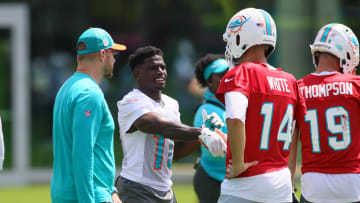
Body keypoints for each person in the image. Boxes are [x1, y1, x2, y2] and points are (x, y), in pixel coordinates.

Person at [215, 8, 307, 202]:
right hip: (280, 185)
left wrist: (238, 163)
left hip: (246, 186)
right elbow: (290, 134)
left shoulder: (241, 73)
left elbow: (235, 118)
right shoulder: (290, 81)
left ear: (241, 38)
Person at [115, 46, 226, 203]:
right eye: (153, 68)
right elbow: (158, 125)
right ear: (137, 74)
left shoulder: (171, 104)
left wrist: (204, 134)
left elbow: (175, 151)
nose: (160, 71)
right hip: (137, 187)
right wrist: (201, 133)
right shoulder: (131, 101)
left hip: (165, 189)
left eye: (163, 67)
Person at [51, 27, 126, 203]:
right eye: (113, 55)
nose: (114, 60)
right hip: (88, 196)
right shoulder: (90, 94)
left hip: (67, 194)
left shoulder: (67, 88)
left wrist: (111, 192)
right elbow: (82, 155)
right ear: (102, 54)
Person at [290, 23, 360, 203]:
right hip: (353, 184)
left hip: (314, 187)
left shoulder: (297, 88)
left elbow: (290, 143)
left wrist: (289, 187)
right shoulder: (355, 85)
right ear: (346, 53)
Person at [192, 54, 228, 203]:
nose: (227, 78)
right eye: (221, 75)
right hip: (212, 181)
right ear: (209, 81)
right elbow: (215, 151)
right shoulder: (205, 110)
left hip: (231, 180)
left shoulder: (234, 104)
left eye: (229, 74)